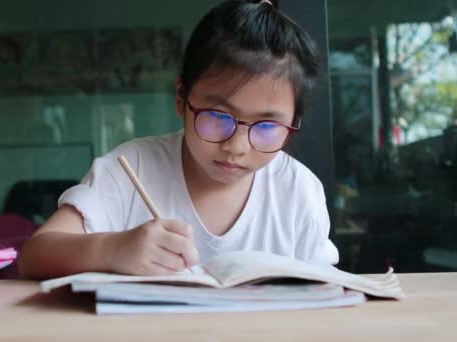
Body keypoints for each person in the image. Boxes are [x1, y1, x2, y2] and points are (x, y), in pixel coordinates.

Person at [18, 0, 339, 279]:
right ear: (181, 97)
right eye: (217, 116)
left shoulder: (299, 191)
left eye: (267, 126)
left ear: (293, 122)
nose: (236, 147)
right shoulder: (131, 168)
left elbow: (323, 293)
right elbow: (34, 256)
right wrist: (112, 249)